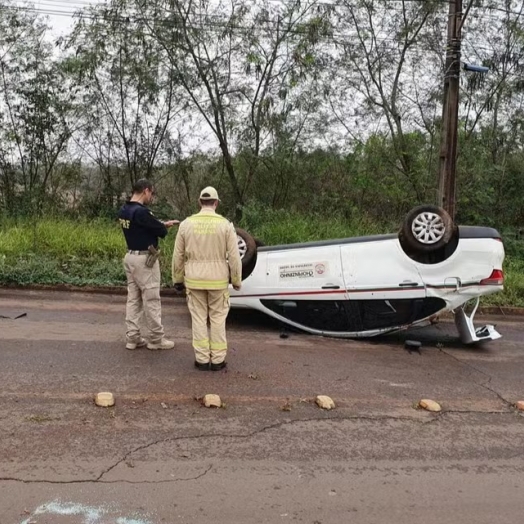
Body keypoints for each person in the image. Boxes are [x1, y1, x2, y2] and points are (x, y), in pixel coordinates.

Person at [172, 186, 242, 371]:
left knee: (198, 319)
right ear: (216, 203)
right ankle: (218, 360)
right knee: (218, 319)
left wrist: (178, 279)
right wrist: (236, 280)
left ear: (199, 202)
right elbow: (234, 257)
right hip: (218, 281)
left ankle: (202, 360)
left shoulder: (186, 224)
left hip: (194, 281)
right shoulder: (226, 225)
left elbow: (178, 255)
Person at [118, 178, 178, 350]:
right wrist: (163, 226)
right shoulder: (142, 212)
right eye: (151, 192)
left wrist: (162, 224)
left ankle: (133, 337)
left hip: (130, 257)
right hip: (145, 260)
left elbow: (143, 226)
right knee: (151, 298)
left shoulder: (124, 210)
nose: (152, 196)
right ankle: (156, 338)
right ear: (146, 190)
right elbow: (159, 231)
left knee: (133, 299)